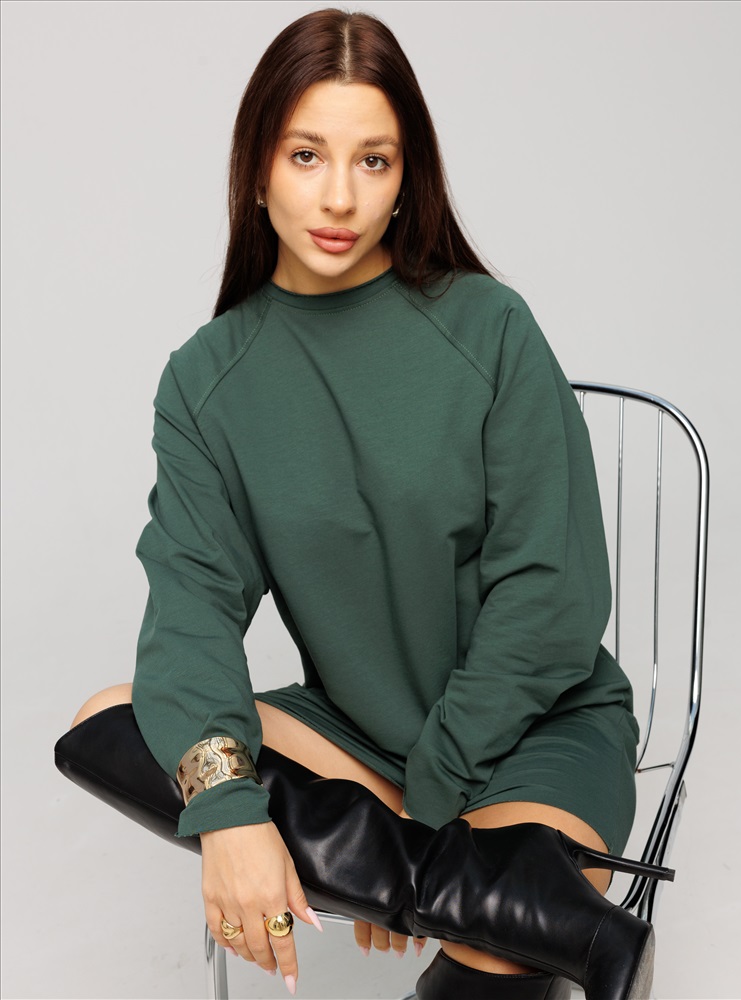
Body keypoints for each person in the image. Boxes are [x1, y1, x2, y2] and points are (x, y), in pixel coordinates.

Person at [70, 8, 644, 999]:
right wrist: (229, 815)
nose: (339, 195)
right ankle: (484, 895)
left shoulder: (488, 327)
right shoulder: (209, 382)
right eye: (306, 155)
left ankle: (460, 890)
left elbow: (553, 599)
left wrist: (426, 797)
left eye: (373, 160)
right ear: (257, 170)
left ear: (406, 177)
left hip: (531, 729)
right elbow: (191, 609)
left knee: (494, 960)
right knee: (110, 721)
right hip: (360, 736)